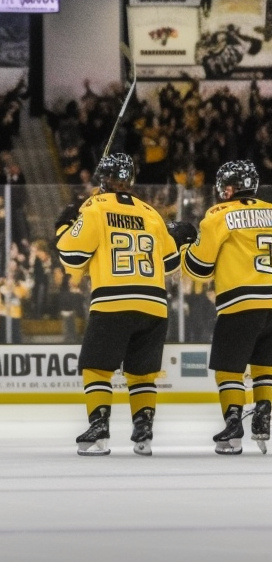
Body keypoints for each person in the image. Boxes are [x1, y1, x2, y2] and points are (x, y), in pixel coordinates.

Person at [56, 153, 186, 456]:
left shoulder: (95, 208)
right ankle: (144, 431)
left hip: (113, 300)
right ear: (130, 180)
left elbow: (71, 259)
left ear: (104, 179)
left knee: (96, 367)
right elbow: (169, 263)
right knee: (141, 373)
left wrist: (64, 226)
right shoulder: (151, 212)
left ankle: (100, 429)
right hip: (155, 303)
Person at [182, 159, 272, 454]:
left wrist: (183, 246)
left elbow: (199, 268)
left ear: (228, 188)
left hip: (240, 301)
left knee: (228, 367)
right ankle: (263, 409)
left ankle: (233, 427)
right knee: (264, 363)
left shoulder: (219, 214)